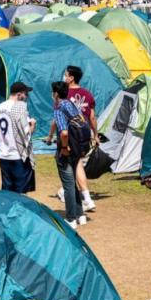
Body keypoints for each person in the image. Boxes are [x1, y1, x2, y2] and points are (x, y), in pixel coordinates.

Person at [49, 80, 87, 228]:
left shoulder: (59, 108)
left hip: (67, 148)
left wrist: (64, 148)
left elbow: (64, 132)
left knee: (68, 184)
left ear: (56, 93)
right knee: (72, 182)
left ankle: (71, 218)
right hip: (78, 147)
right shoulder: (71, 104)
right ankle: (80, 214)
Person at [0, 82, 36, 194]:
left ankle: (5, 210)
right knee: (20, 191)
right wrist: (33, 124)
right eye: (25, 94)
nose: (26, 97)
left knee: (7, 189)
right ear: (19, 94)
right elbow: (26, 133)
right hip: (18, 155)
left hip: (3, 154)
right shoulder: (19, 109)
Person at [64, 65, 98, 212]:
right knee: (75, 163)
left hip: (70, 133)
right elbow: (92, 117)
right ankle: (69, 191)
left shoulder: (64, 93)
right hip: (84, 133)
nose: (64, 77)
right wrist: (95, 135)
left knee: (74, 164)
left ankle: (86, 198)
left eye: (65, 75)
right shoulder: (88, 94)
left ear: (71, 78)